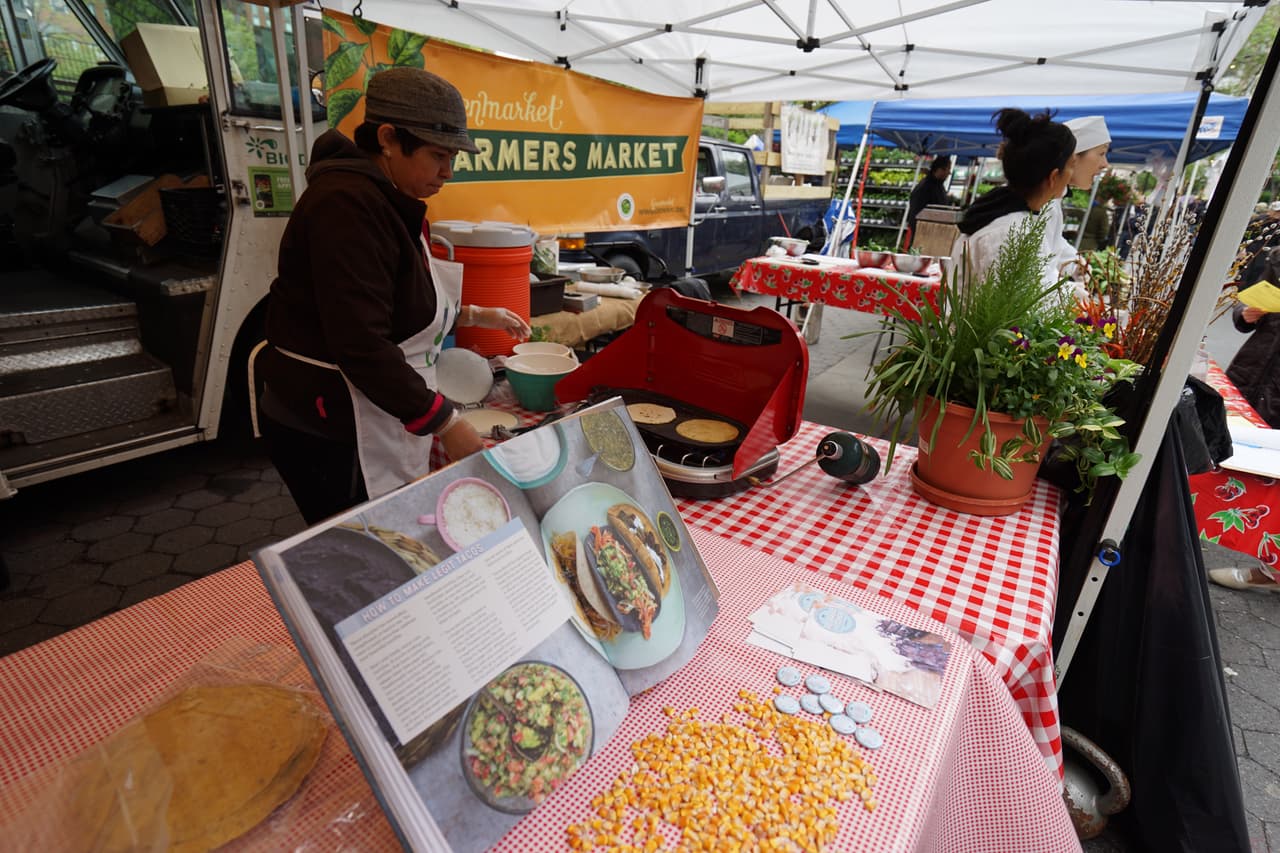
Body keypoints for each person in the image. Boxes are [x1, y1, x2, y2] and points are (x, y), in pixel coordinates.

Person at [253, 67, 530, 525]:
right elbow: (360, 343)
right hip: (328, 423)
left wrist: (476, 313)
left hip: (374, 408)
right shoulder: (345, 205)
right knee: (360, 549)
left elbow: (398, 298)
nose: (448, 172)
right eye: (438, 155)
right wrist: (446, 421)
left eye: (453, 157)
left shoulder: (388, 194)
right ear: (387, 137)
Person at [1209, 247, 1280, 593]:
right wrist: (1246, 314)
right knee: (1226, 450)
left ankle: (1270, 571)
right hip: (1251, 371)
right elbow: (1245, 305)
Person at [951, 109, 1075, 287]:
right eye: (1072, 165)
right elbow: (1013, 304)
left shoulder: (1008, 213)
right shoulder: (1011, 232)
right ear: (1054, 176)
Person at [1040, 114, 1111, 276]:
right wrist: (1072, 292)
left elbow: (1054, 243)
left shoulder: (1054, 200)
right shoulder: (1042, 202)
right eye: (1101, 153)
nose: (1105, 164)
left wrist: (1077, 265)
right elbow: (1036, 270)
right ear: (1074, 157)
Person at [906, 155, 952, 237]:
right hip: (924, 231)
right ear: (940, 169)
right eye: (948, 169)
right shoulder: (926, 186)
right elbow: (917, 212)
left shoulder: (937, 184)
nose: (949, 173)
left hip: (931, 230)